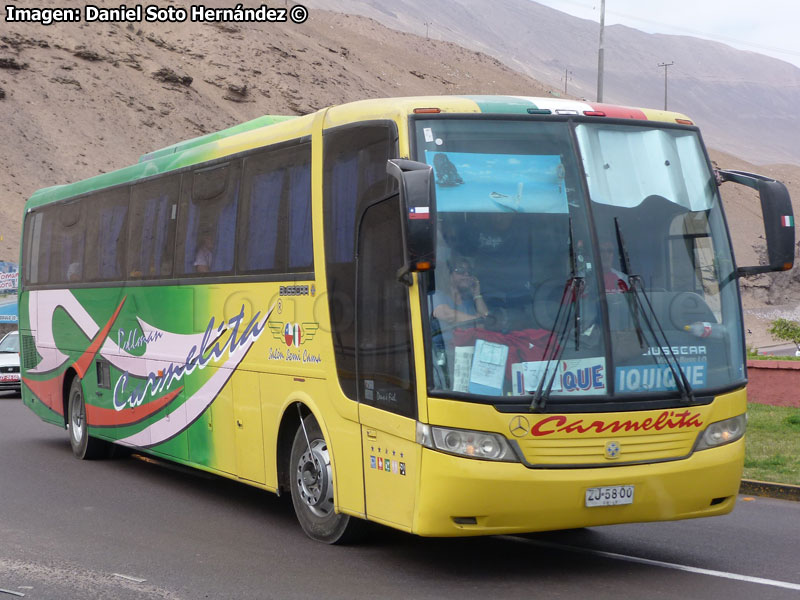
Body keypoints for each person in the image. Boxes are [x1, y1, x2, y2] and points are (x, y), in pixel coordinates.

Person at [432, 256, 489, 325]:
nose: (466, 274)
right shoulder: (436, 295)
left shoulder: (469, 303)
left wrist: (477, 294)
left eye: (469, 272)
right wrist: (476, 320)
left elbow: (486, 318)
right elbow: (445, 313)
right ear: (449, 274)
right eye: (460, 270)